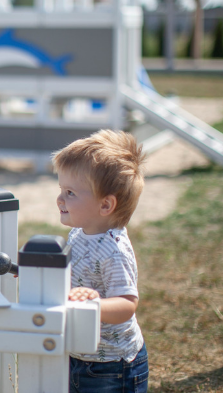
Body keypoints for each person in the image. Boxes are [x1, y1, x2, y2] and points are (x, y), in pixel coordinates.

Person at [54, 130, 148, 393]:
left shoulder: (113, 250)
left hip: (112, 365)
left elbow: (127, 305)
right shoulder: (79, 232)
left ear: (105, 205)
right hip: (80, 352)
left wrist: (95, 303)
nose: (60, 199)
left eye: (70, 192)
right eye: (61, 189)